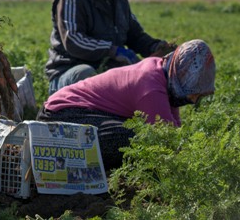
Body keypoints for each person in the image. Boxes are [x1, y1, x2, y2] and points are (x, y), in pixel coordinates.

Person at [38, 39, 215, 170]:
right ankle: (69, 164)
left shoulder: (163, 71)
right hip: (60, 116)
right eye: (193, 93)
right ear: (180, 77)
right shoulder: (151, 88)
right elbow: (165, 142)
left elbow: (174, 130)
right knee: (132, 139)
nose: (193, 100)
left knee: (137, 138)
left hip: (80, 112)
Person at [45, 0, 176, 95]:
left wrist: (155, 47)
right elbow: (74, 41)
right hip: (67, 74)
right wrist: (112, 50)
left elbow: (136, 36)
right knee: (86, 74)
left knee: (148, 76)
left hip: (108, 72)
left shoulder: (120, 1)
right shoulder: (71, 0)